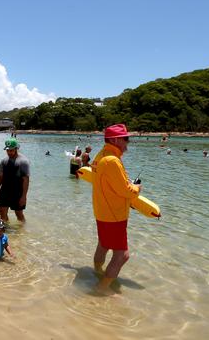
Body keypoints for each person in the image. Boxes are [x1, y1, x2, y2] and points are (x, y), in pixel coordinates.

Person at [90, 124, 141, 296]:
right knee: (122, 255)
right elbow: (126, 191)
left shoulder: (101, 155)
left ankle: (97, 272)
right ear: (115, 140)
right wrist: (137, 188)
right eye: (126, 139)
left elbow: (96, 172)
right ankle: (100, 290)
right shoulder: (113, 161)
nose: (128, 143)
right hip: (114, 215)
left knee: (103, 244)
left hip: (102, 211)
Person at [0, 137, 30, 222]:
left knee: (19, 214)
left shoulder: (23, 161)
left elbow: (26, 180)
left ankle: (21, 232)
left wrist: (24, 196)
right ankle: (5, 230)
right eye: (7, 150)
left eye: (11, 150)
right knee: (2, 213)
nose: (9, 152)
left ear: (16, 149)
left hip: (17, 192)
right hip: (4, 191)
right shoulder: (3, 161)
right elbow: (0, 176)